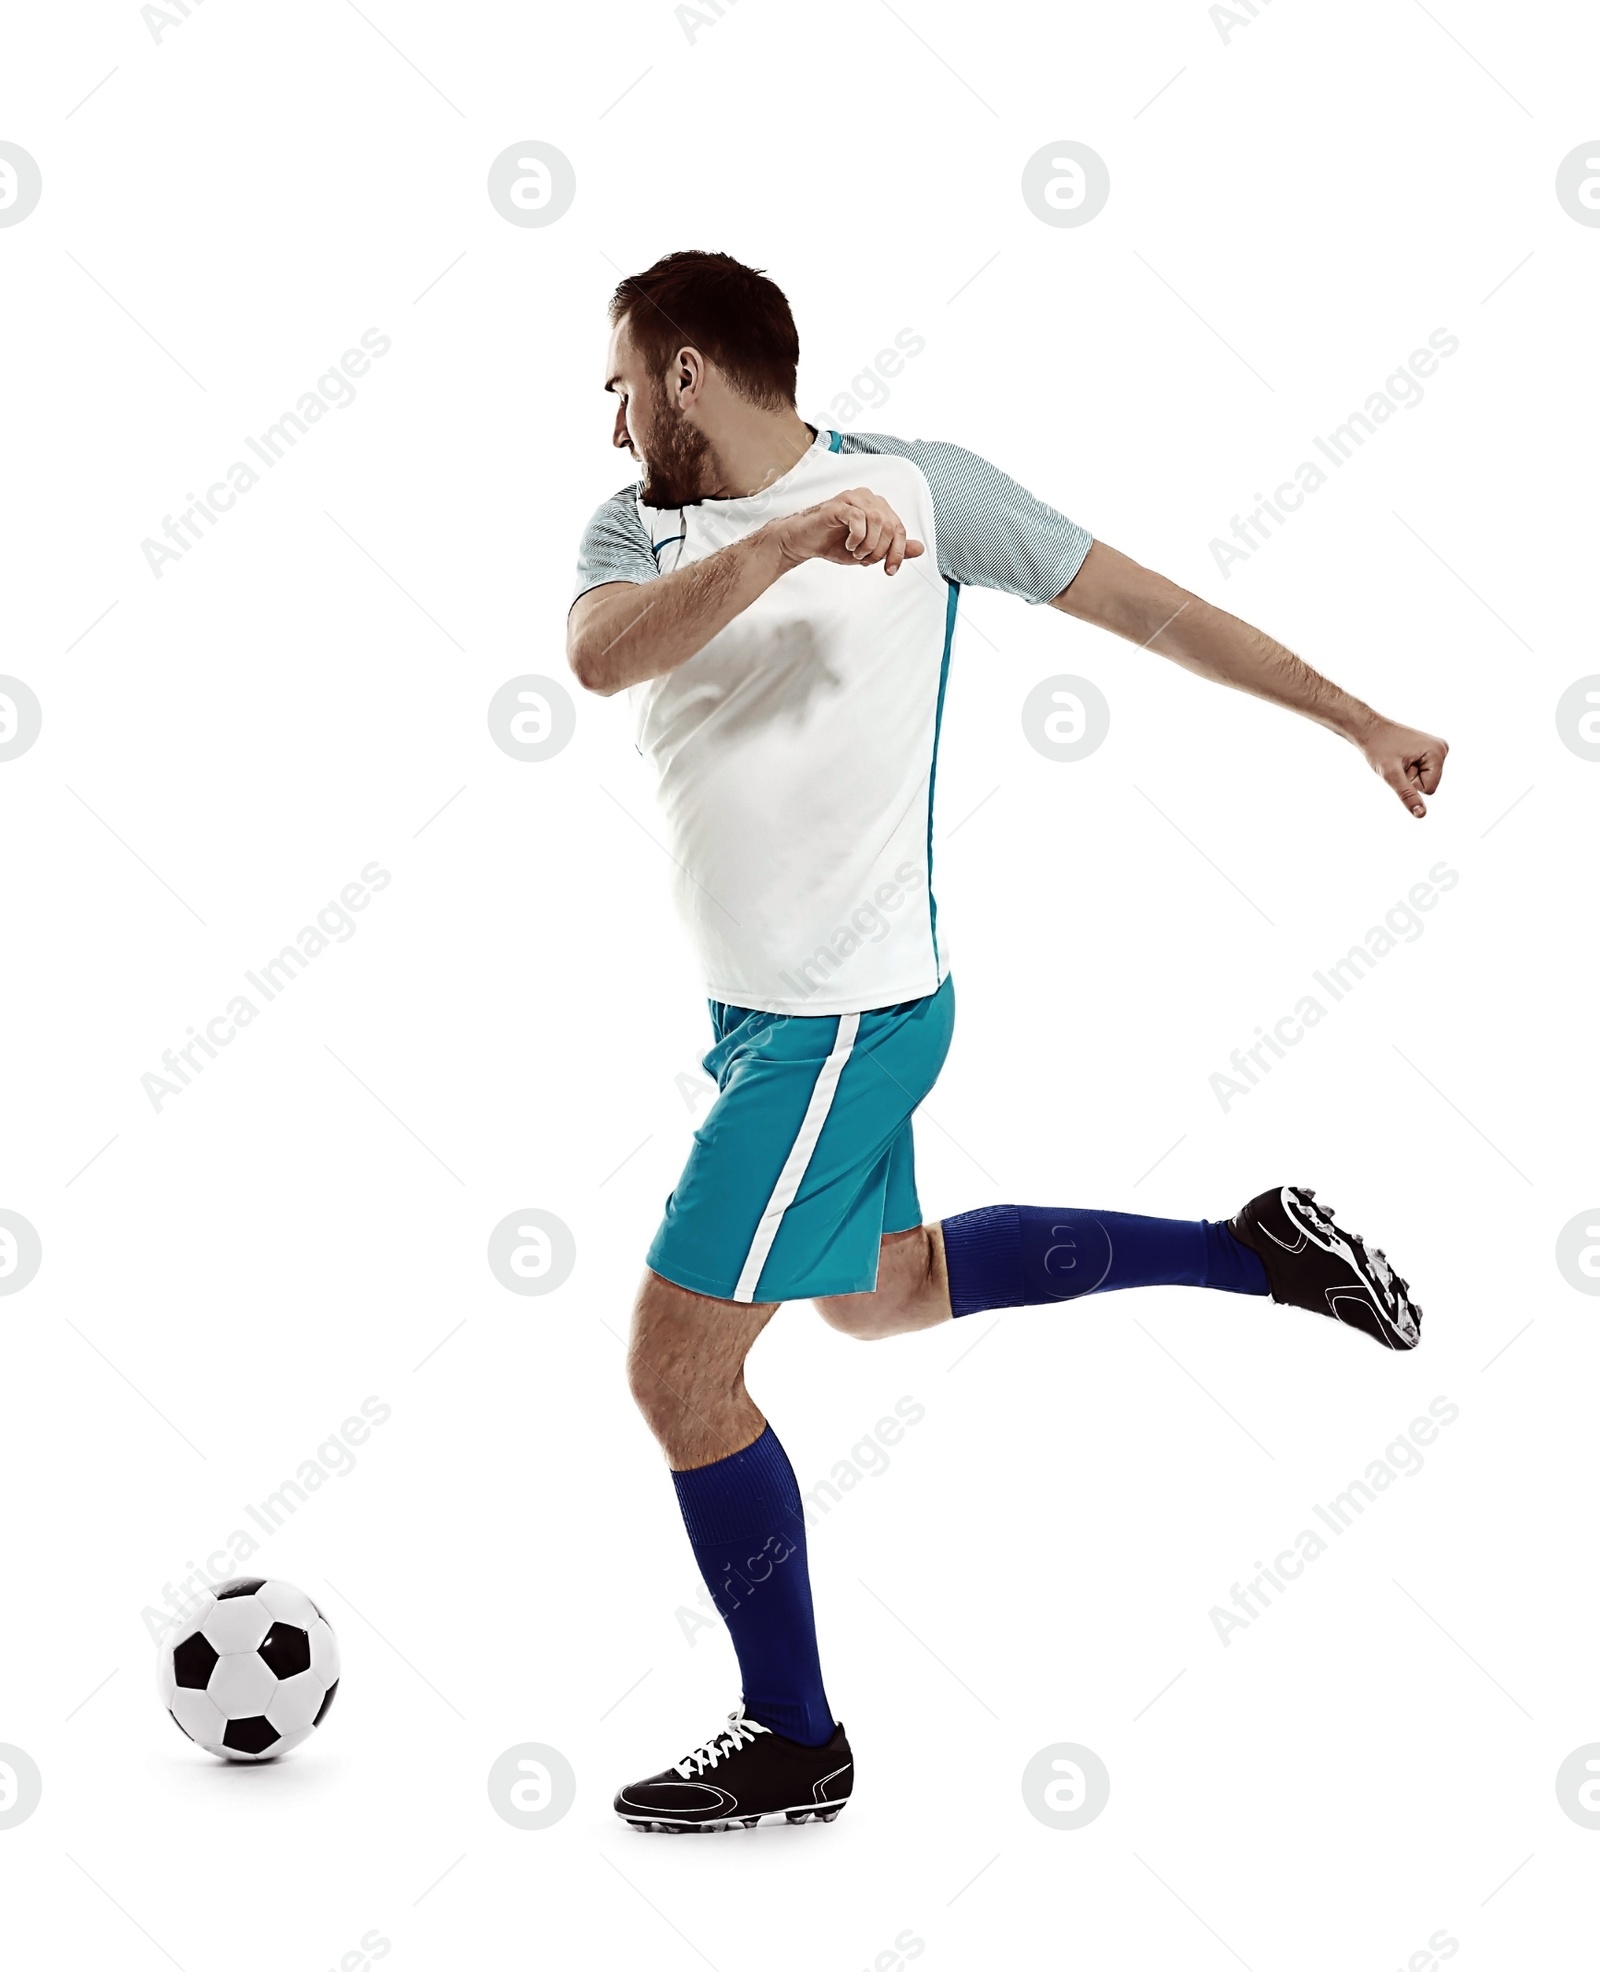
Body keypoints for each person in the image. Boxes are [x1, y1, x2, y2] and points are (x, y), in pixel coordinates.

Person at [566, 250, 1447, 1834]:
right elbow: (602, 654)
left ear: (688, 372)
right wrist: (781, 548)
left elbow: (1154, 608)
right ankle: (1255, 1248)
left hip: (846, 1021)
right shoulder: (639, 525)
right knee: (881, 1300)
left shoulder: (922, 490)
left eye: (622, 382)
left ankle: (794, 1736)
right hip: (763, 1019)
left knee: (679, 1370)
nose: (611, 415)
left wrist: (1359, 716)